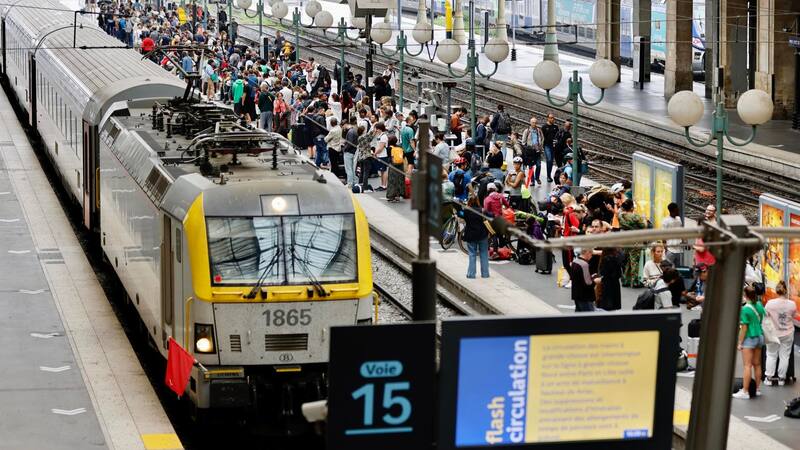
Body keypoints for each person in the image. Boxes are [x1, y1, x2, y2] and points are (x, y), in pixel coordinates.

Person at [733, 286, 765, 399]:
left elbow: (744, 327)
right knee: (757, 364)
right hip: (760, 336)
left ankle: (745, 392)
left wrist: (740, 342)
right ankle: (757, 389)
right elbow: (761, 319)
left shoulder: (745, 309)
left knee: (747, 365)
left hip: (749, 338)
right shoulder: (759, 305)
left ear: (745, 295)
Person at [764, 281, 797, 386]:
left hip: (773, 333)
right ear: (786, 291)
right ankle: (781, 379)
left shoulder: (770, 304)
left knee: (771, 355)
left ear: (777, 291)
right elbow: (793, 316)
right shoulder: (792, 304)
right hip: (787, 333)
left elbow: (765, 316)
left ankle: (769, 378)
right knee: (784, 356)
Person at [618, 199, 647, 288]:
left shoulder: (620, 216)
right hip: (635, 240)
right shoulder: (636, 217)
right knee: (634, 261)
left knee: (627, 261)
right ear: (631, 207)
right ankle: (635, 282)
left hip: (625, 240)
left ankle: (626, 280)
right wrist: (644, 218)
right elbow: (644, 226)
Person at [463, 195, 490, 279]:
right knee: (484, 254)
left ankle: (471, 274)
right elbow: (491, 215)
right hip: (482, 235)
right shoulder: (482, 211)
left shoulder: (466, 211)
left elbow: (459, 214)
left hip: (471, 235)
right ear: (478, 201)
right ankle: (485, 274)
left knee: (472, 254)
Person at [571, 248, 598, 312]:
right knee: (589, 319)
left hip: (577, 295)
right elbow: (588, 284)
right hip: (585, 297)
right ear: (587, 252)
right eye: (591, 253)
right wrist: (595, 281)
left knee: (579, 318)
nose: (591, 256)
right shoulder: (584, 265)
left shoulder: (575, 261)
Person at [521, 117, 544, 185]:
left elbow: (542, 138)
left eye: (535, 122)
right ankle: (532, 180)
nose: (534, 124)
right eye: (533, 122)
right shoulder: (527, 131)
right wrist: (527, 148)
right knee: (531, 167)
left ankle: (537, 178)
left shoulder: (539, 130)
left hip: (537, 151)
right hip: (530, 151)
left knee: (538, 165)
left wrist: (541, 146)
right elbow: (523, 141)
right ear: (530, 123)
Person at [662, 202, 684, 266]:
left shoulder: (679, 219)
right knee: (668, 268)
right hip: (670, 250)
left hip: (679, 249)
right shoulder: (666, 221)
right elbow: (663, 236)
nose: (679, 211)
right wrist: (666, 249)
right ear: (673, 211)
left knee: (679, 269)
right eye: (677, 210)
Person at [386, 135, 405, 202]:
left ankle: (391, 196)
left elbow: (388, 156)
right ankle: (398, 195)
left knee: (392, 181)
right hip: (400, 165)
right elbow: (403, 155)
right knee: (399, 180)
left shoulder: (389, 148)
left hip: (393, 166)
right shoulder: (400, 147)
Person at [541, 113, 559, 182]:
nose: (552, 119)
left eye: (553, 118)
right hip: (547, 146)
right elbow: (542, 137)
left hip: (553, 146)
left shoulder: (555, 127)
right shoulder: (544, 127)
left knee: (551, 161)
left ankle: (549, 175)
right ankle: (548, 176)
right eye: (551, 118)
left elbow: (557, 136)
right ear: (548, 118)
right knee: (549, 159)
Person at [342, 118, 359, 187]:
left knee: (348, 169)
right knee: (352, 168)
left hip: (349, 152)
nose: (343, 128)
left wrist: (344, 149)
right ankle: (354, 182)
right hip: (353, 151)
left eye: (343, 126)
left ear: (345, 125)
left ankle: (350, 183)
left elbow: (350, 143)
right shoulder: (354, 131)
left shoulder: (350, 132)